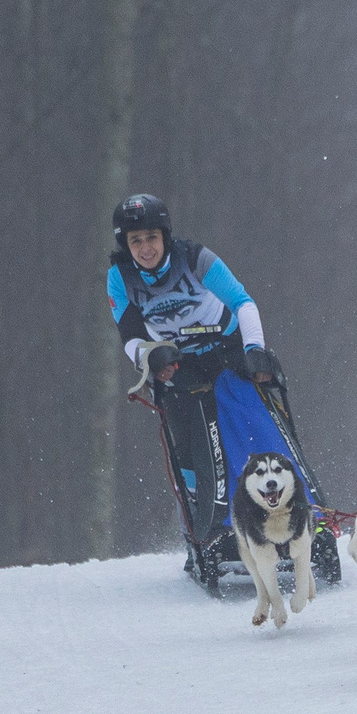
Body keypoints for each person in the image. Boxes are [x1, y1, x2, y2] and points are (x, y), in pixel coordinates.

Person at [106, 193, 291, 551]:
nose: (146, 248)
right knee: (189, 447)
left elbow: (243, 302)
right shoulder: (120, 277)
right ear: (126, 245)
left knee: (255, 429)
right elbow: (129, 335)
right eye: (136, 241)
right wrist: (149, 357)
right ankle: (204, 528)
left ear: (165, 236)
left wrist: (254, 350)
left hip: (226, 350)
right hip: (178, 363)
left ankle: (293, 514)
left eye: (152, 238)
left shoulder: (194, 258)